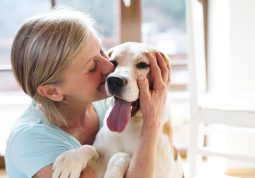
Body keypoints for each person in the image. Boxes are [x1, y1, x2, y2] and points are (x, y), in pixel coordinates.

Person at [5, 8, 170, 178]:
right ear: (52, 91)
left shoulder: (104, 105)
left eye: (101, 51)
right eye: (92, 67)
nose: (109, 68)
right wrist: (151, 123)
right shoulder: (30, 141)